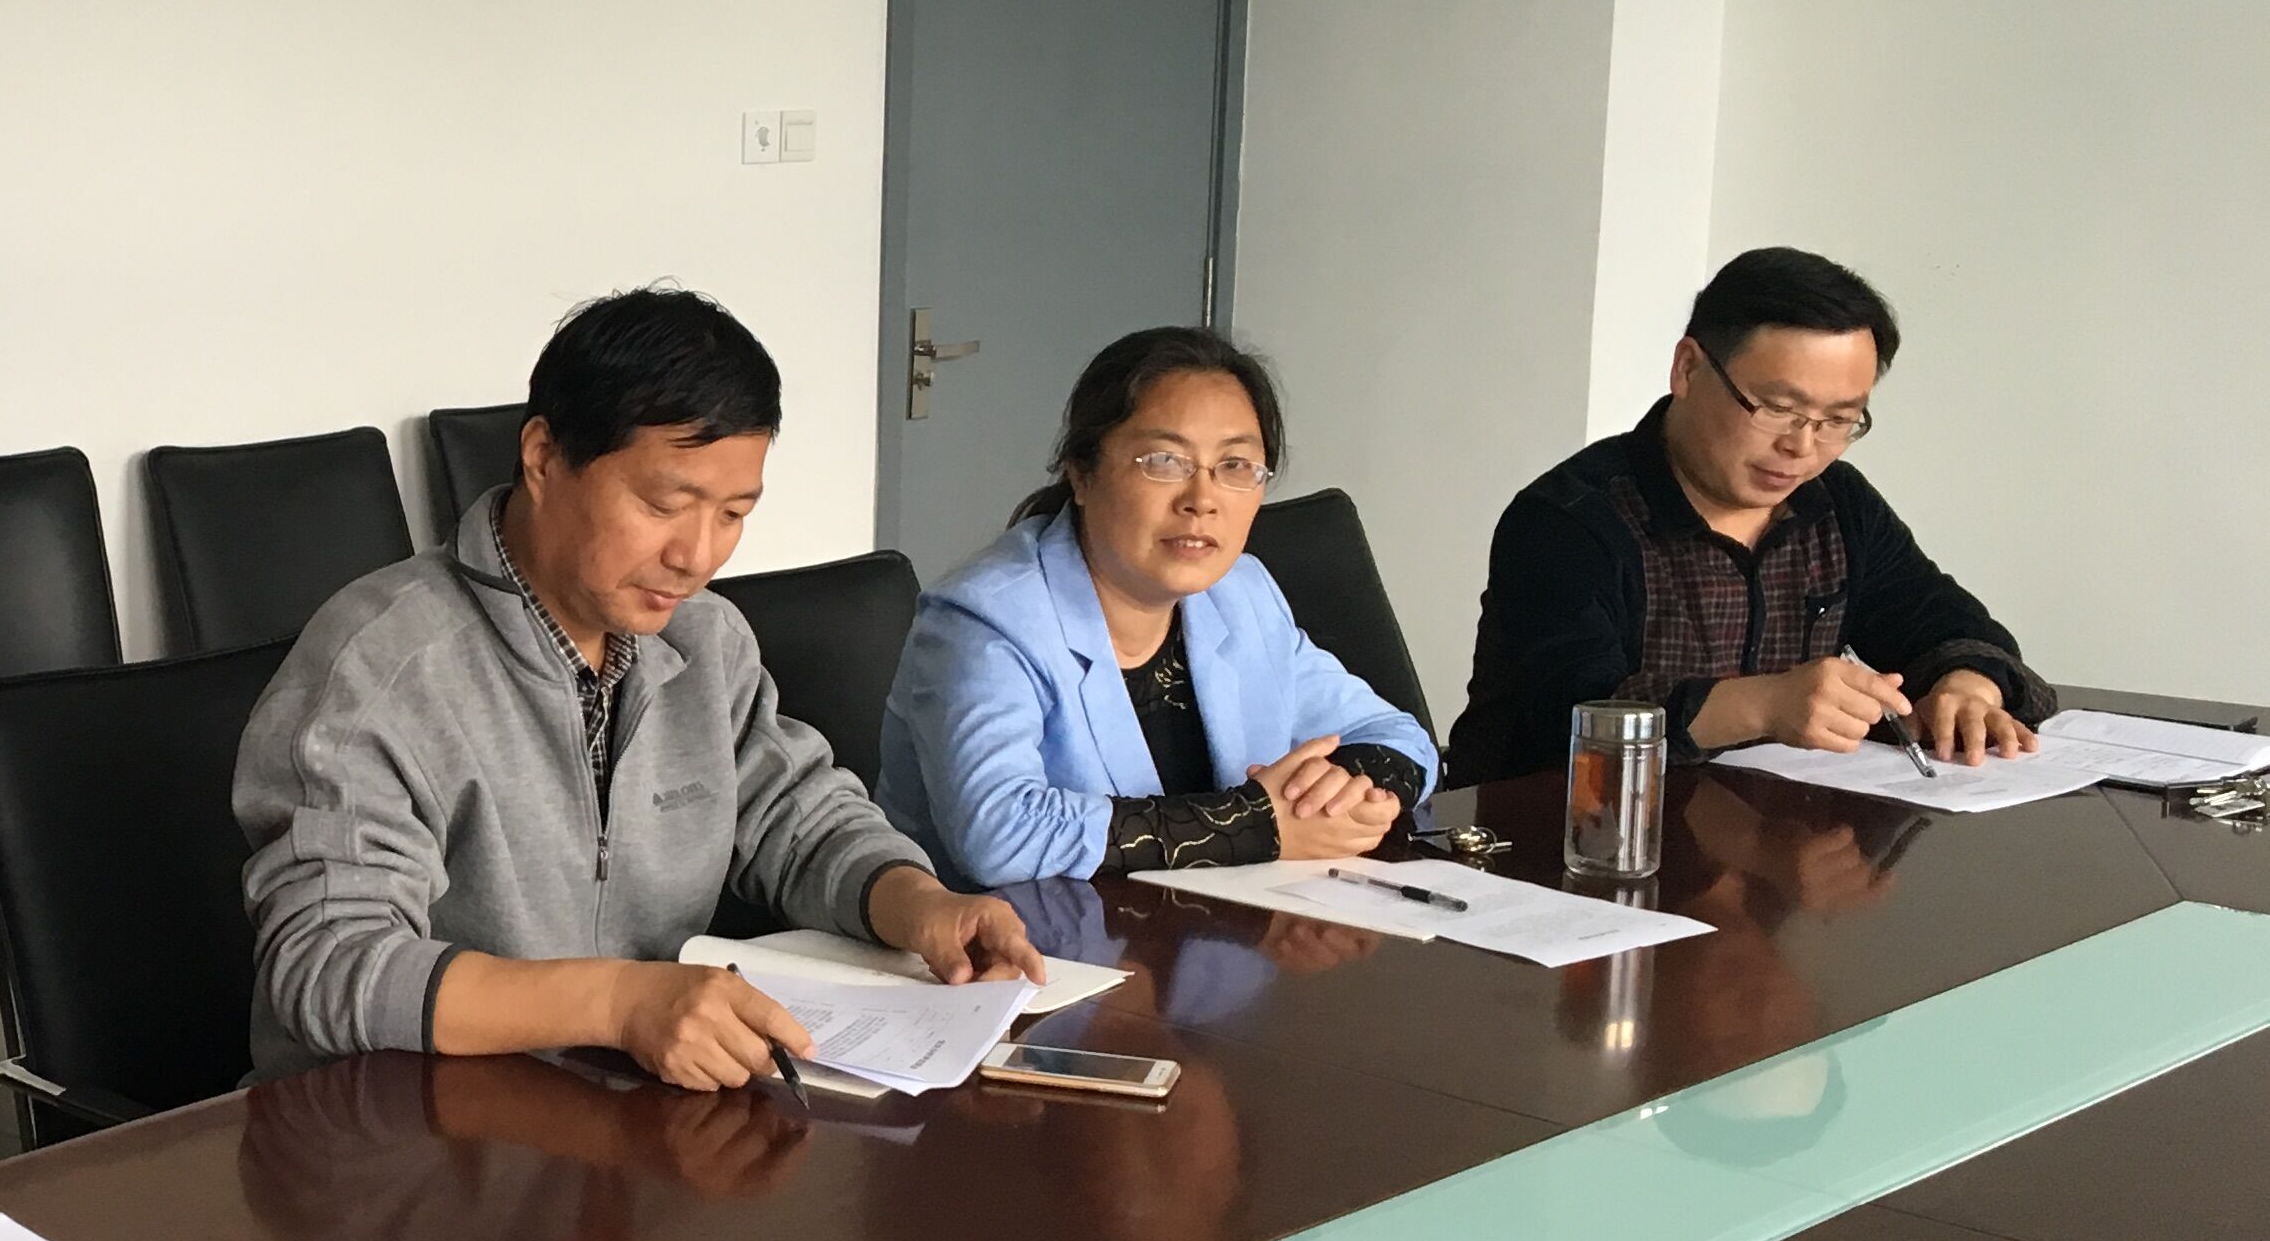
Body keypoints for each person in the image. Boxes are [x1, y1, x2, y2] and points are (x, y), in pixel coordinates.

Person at [237, 286, 1040, 1091]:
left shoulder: (703, 640)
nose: (697, 556)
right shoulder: (385, 666)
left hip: (618, 1113)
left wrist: (920, 903)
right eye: (664, 504)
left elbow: (797, 819)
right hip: (396, 1127)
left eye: (732, 514)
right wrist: (619, 1002)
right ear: (543, 457)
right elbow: (330, 965)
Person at [1451, 247, 2053, 785]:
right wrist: (1764, 706)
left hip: (1762, 836)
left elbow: (1947, 622)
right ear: (1688, 368)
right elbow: (1567, 717)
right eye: (1776, 407)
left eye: (1839, 420)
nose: (1801, 446)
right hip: (1554, 840)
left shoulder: (1836, 504)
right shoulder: (1569, 519)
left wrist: (1966, 685)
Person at [877, 327, 1436, 885]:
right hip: (1023, 935)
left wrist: (1343, 793)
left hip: (1213, 922)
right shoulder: (985, 620)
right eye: (1165, 461)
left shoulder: (1240, 593)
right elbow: (999, 833)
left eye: (1235, 465)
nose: (1201, 500)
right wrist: (1255, 824)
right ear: (1082, 473)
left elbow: (1398, 736)